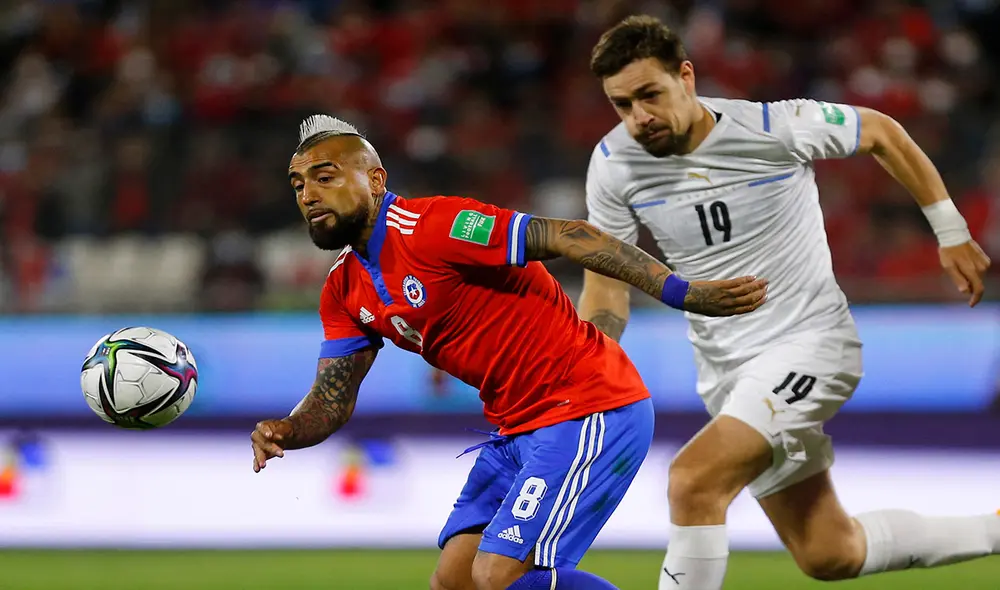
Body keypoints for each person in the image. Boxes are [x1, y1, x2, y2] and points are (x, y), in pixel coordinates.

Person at [249, 115, 768, 590]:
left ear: (376, 180)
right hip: (515, 428)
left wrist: (679, 291)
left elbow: (567, 234)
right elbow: (332, 398)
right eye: (298, 185)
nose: (308, 194)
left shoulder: (436, 225)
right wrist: (288, 430)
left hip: (588, 406)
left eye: (324, 177)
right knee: (455, 582)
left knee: (498, 576)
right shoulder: (343, 288)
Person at [578, 15, 997, 590]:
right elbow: (606, 284)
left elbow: (880, 131)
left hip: (810, 346)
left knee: (693, 481)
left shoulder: (773, 127)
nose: (638, 117)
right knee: (829, 552)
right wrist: (583, 372)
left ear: (686, 76)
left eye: (650, 95)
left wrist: (950, 231)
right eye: (622, 104)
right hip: (726, 371)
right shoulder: (613, 163)